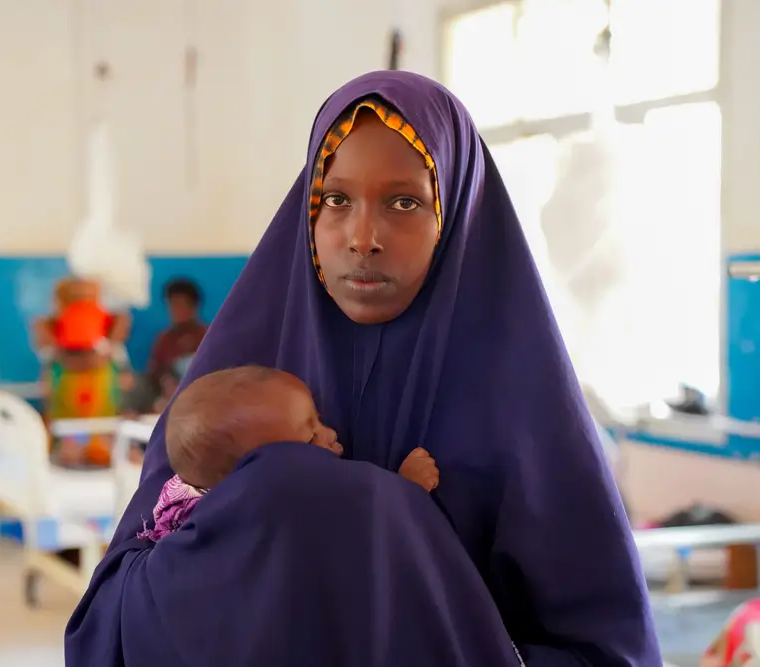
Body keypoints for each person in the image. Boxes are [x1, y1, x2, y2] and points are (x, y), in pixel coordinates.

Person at [66, 71, 662, 666]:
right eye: (335, 200)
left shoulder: (525, 414)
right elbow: (112, 619)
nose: (362, 237)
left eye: (404, 202)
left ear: (454, 215)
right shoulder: (233, 380)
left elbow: (606, 650)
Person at [139, 365, 441, 542]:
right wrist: (407, 488)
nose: (330, 433)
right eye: (311, 436)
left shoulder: (178, 504)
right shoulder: (272, 515)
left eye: (318, 418)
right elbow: (361, 528)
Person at [122, 278, 208, 417]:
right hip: (167, 400)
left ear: (193, 306)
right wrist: (166, 383)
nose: (175, 311)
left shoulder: (207, 337)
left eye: (180, 305)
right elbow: (154, 373)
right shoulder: (164, 339)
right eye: (172, 305)